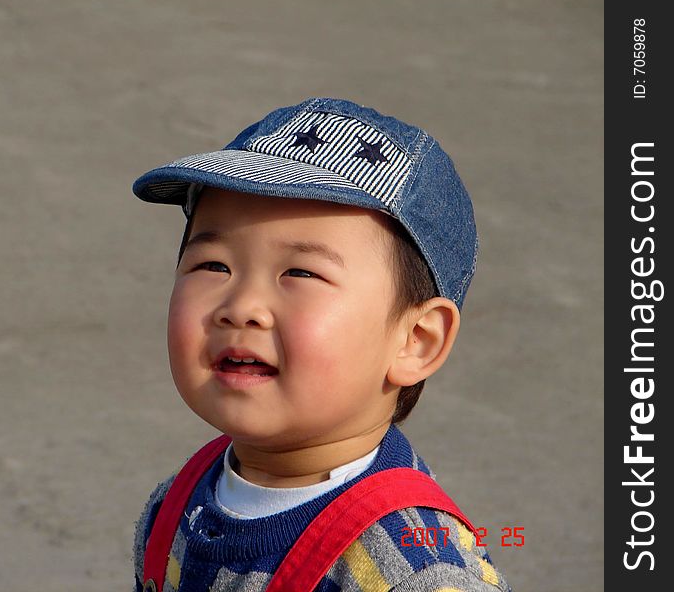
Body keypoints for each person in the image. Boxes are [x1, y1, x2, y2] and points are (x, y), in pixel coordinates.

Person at [130, 98, 510, 591]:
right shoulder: (177, 505)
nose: (242, 305)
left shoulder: (418, 573)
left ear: (415, 341)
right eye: (213, 266)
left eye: (301, 272)